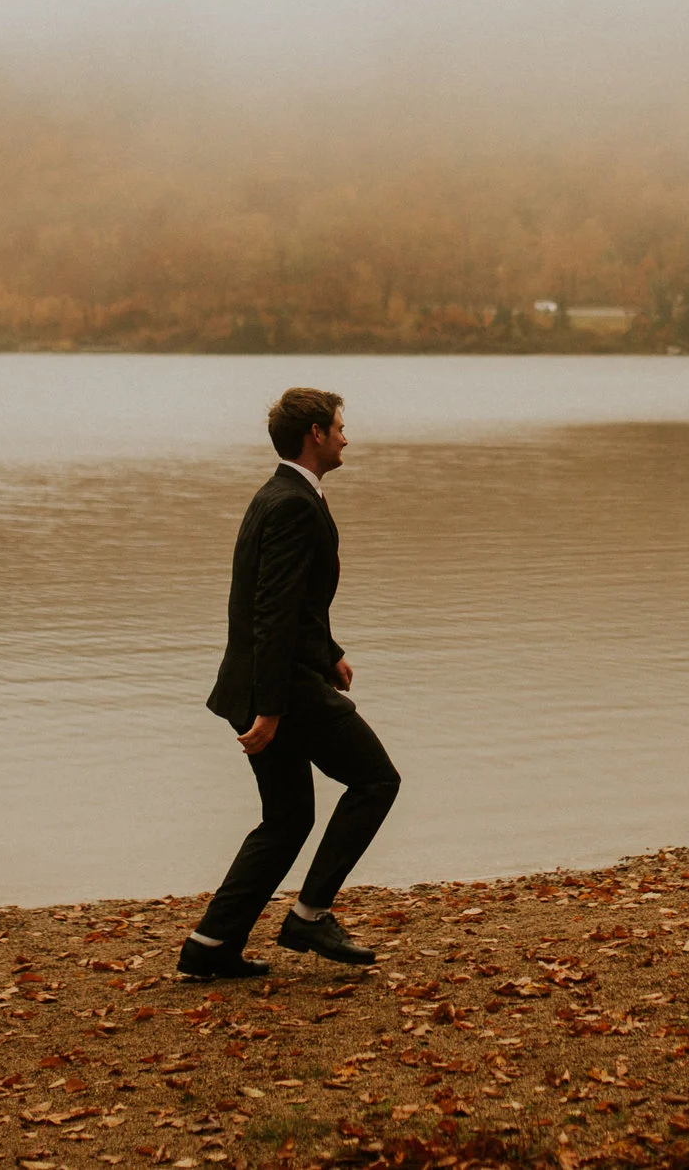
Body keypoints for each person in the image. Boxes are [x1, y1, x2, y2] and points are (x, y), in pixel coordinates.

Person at [179, 388, 400, 979]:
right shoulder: (294, 505)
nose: (346, 437)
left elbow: (286, 600)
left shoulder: (280, 495)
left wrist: (330, 653)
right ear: (315, 435)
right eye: (340, 428)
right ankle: (310, 914)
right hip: (281, 690)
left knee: (286, 818)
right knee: (377, 780)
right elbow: (271, 612)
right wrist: (273, 711)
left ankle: (210, 945)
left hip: (262, 682)